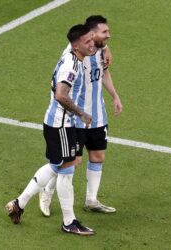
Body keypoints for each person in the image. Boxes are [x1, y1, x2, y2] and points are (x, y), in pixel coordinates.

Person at [5, 24, 96, 236]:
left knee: (56, 166)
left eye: (92, 40)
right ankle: (69, 221)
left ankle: (19, 203)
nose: (91, 45)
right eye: (87, 42)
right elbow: (61, 95)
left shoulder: (70, 54)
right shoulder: (71, 67)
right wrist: (81, 113)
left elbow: (81, 38)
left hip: (58, 123)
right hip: (60, 124)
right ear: (76, 46)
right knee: (66, 171)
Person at [39, 15, 123, 217]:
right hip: (77, 117)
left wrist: (115, 96)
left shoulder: (100, 48)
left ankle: (91, 200)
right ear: (91, 34)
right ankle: (46, 191)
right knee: (69, 161)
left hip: (97, 115)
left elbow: (104, 72)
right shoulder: (76, 52)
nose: (108, 36)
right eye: (104, 33)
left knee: (98, 156)